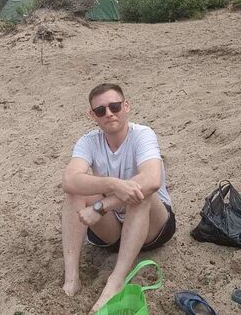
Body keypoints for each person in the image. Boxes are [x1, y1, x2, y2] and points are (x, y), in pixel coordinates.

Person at [61, 83, 175, 313]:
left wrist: (102, 205)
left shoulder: (142, 134)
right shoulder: (88, 141)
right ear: (92, 115)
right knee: (75, 191)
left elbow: (152, 179)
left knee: (140, 193)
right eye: (101, 110)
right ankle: (71, 278)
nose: (109, 113)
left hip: (153, 227)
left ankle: (116, 280)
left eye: (114, 106)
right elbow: (69, 180)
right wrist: (113, 184)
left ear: (126, 106)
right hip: (113, 230)